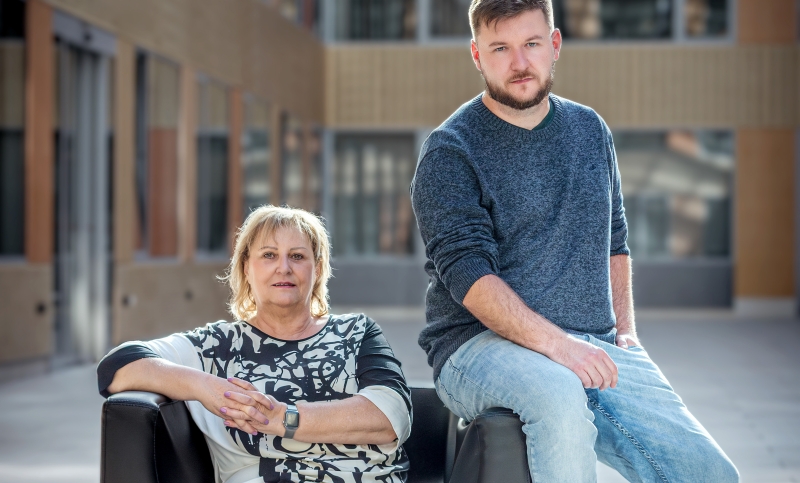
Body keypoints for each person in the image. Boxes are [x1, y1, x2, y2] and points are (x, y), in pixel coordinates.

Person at [409, 1, 739, 482]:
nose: (519, 62)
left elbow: (615, 241)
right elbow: (470, 277)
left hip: (591, 342)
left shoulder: (589, 130)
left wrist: (625, 332)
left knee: (709, 472)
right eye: (500, 48)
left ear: (555, 44)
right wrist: (562, 349)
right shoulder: (450, 151)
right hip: (476, 347)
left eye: (531, 44)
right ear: (477, 55)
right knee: (559, 395)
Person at [97, 205, 411, 483]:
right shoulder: (217, 346)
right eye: (269, 255)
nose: (284, 267)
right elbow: (117, 366)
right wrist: (205, 387)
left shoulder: (356, 332)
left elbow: (390, 416)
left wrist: (282, 418)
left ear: (317, 269)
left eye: (297, 256)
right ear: (247, 267)